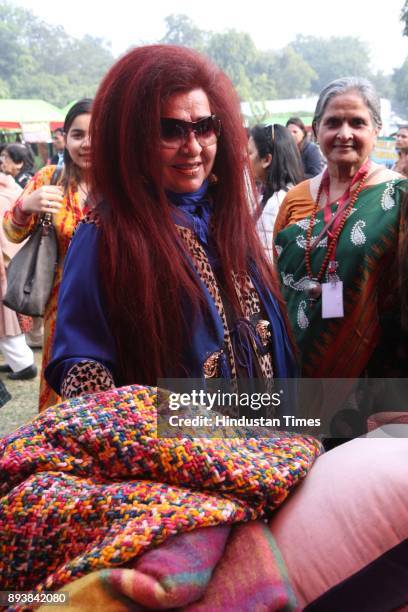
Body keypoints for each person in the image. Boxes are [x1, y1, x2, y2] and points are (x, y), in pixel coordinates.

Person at [45, 45, 296, 400]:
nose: (193, 147)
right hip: (176, 447)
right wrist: (123, 434)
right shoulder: (105, 232)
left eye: (205, 128)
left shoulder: (223, 215)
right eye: (171, 130)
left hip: (262, 439)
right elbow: (83, 360)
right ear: (133, 139)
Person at [274, 77, 407, 382]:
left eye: (357, 123)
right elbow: (277, 279)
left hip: (374, 375)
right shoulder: (295, 198)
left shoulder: (399, 198)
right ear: (316, 128)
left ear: (376, 130)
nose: (344, 134)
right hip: (293, 364)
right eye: (333, 122)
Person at [3, 98, 93, 411]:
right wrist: (27, 205)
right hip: (62, 312)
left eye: (95, 134)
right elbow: (12, 232)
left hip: (113, 311)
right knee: (60, 399)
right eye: (78, 135)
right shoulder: (49, 179)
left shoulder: (123, 185)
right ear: (64, 138)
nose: (87, 143)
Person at [248, 123, 304, 261]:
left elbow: (265, 258)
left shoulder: (277, 203)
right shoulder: (277, 194)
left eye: (249, 153)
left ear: (266, 159)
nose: (244, 158)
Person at [0, 172, 37, 380]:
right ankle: (21, 360)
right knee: (9, 318)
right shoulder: (10, 187)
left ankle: (22, 363)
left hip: (5, 265)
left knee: (6, 320)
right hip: (14, 262)